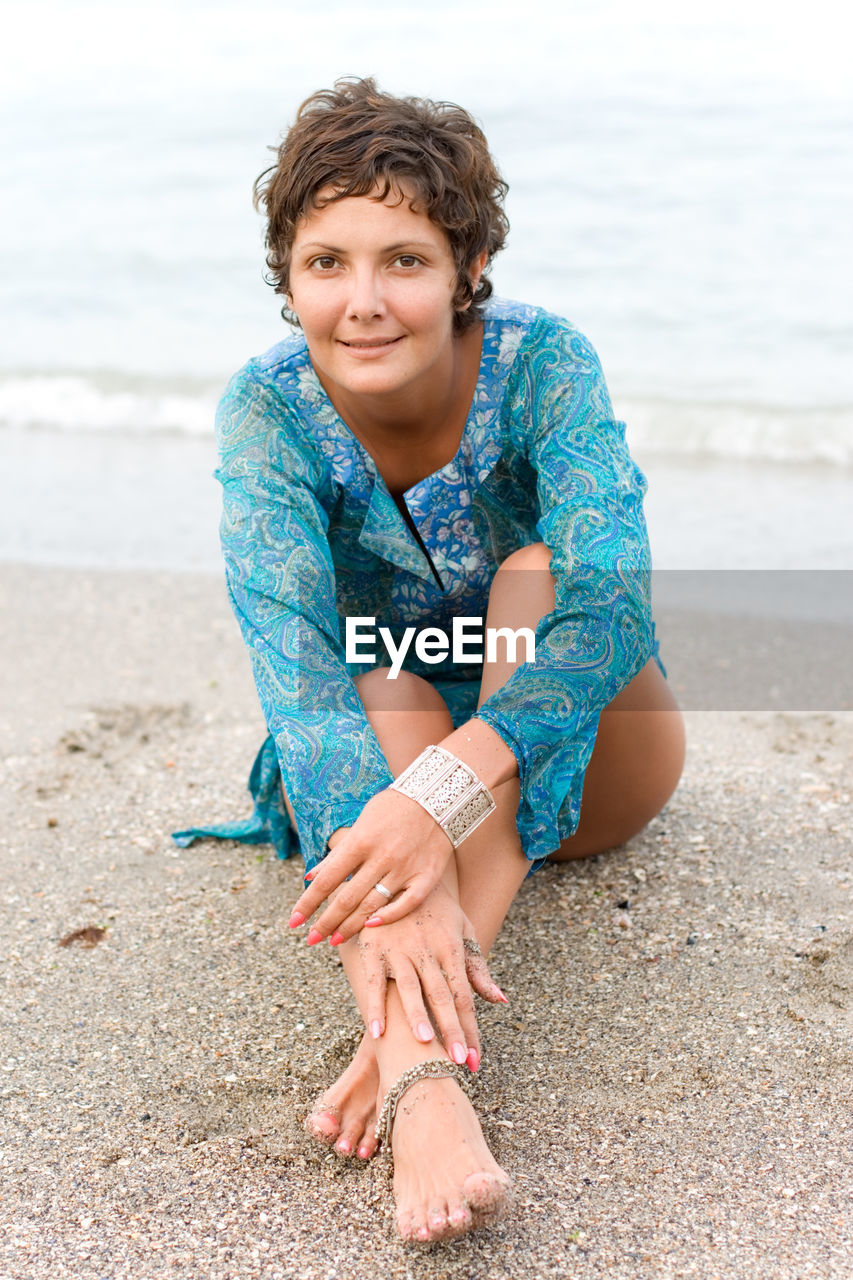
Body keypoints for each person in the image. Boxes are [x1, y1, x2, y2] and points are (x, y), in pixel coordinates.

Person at [175, 76, 685, 1244]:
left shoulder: (543, 362)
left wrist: (437, 795)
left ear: (466, 266)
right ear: (288, 276)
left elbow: (611, 608)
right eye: (326, 263)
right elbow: (294, 673)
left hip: (595, 744)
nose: (362, 301)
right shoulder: (266, 409)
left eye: (403, 260)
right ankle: (428, 1077)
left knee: (536, 578)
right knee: (374, 665)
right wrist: (401, 799)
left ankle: (401, 1047)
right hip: (379, 741)